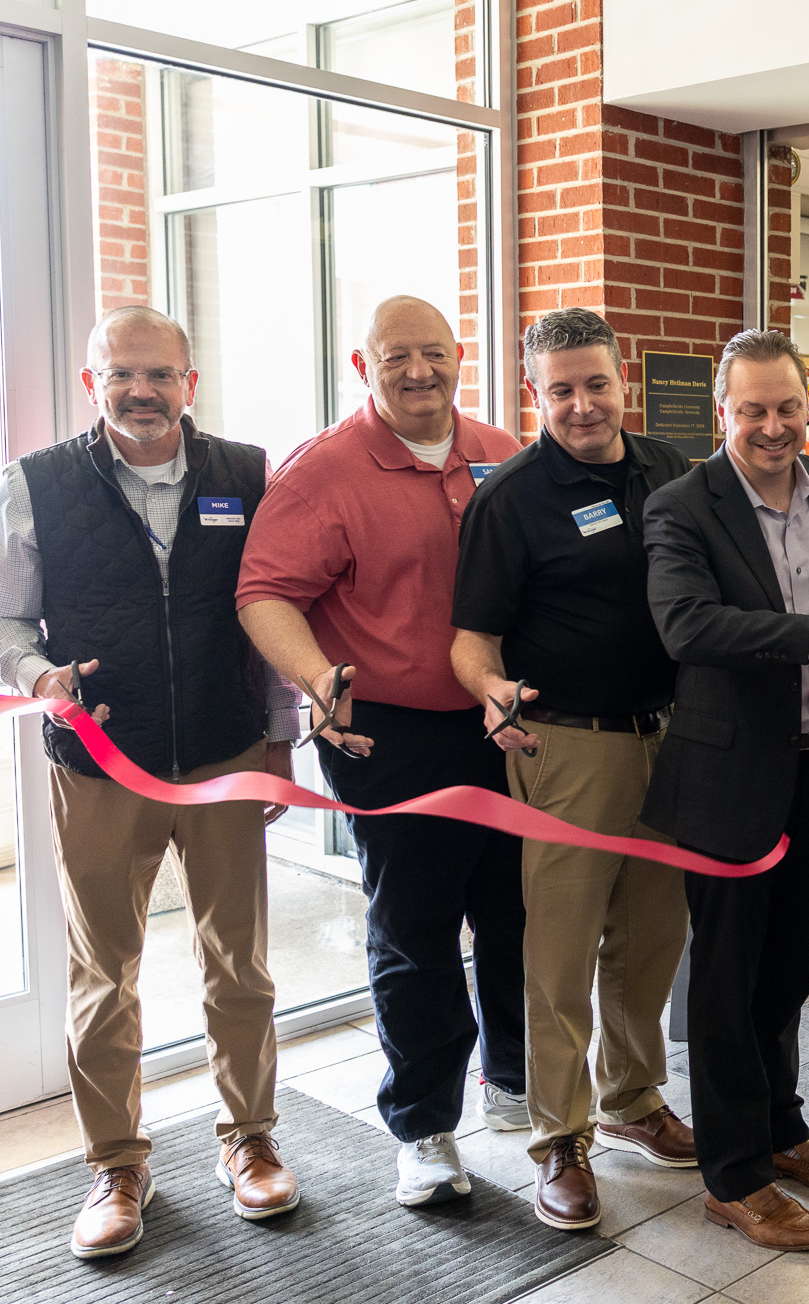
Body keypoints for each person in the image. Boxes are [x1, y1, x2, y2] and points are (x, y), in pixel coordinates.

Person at [0, 307, 301, 1257]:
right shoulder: (33, 486)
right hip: (100, 762)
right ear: (94, 383)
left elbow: (272, 614)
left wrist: (281, 742)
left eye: (159, 374)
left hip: (223, 752)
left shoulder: (248, 475)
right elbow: (7, 624)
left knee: (240, 962)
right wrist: (36, 676)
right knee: (104, 972)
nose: (141, 390)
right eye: (121, 374)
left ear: (190, 382)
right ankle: (116, 1163)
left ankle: (249, 1139)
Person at [237, 295, 528, 1208]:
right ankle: (425, 1130)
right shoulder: (322, 471)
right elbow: (265, 592)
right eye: (395, 356)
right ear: (363, 365)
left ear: (459, 357)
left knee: (522, 915)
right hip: (391, 733)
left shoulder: (504, 450)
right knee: (416, 937)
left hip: (505, 723)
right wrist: (317, 680)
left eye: (433, 354)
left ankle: (521, 1090)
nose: (418, 371)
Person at [450, 308, 695, 1232]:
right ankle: (559, 1135)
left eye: (596, 383)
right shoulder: (508, 497)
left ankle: (633, 1101)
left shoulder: (671, 469)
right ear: (533, 393)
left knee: (652, 935)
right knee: (559, 951)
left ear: (621, 377)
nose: (583, 405)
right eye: (561, 390)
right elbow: (468, 643)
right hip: (569, 747)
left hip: (671, 739)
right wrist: (492, 689)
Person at [638, 327, 809, 1252]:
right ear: (722, 410)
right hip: (727, 777)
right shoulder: (682, 506)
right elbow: (687, 626)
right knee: (728, 976)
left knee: (789, 966)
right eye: (753, 411)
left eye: (787, 408)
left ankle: (782, 1128)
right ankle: (732, 1172)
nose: (773, 427)